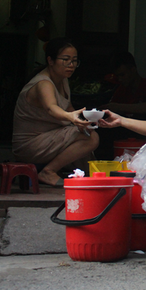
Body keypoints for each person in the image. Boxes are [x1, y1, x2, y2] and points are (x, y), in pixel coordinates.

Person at [12, 38, 98, 187]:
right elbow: (51, 107)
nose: (71, 65)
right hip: (30, 144)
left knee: (88, 132)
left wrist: (86, 121)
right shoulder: (43, 83)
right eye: (65, 60)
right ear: (50, 61)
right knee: (92, 139)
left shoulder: (62, 80)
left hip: (50, 138)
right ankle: (48, 172)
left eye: (74, 61)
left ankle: (88, 178)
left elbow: (69, 107)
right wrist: (70, 117)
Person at [102, 52, 146, 120]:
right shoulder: (122, 89)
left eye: (122, 75)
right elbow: (111, 107)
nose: (120, 79)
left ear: (133, 70)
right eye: (117, 76)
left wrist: (117, 107)